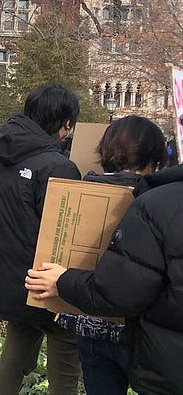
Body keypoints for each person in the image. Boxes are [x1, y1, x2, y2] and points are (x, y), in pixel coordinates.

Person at [24, 116, 168, 395]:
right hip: (138, 327)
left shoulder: (81, 189)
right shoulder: (159, 199)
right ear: (154, 154)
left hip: (87, 319)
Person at [0, 83, 82, 395]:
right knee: (65, 369)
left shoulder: (4, 158)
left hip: (17, 279)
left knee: (14, 357)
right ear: (65, 124)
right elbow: (67, 233)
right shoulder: (58, 166)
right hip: (50, 282)